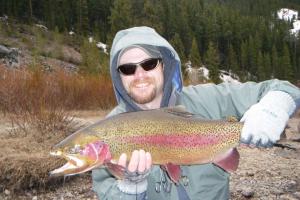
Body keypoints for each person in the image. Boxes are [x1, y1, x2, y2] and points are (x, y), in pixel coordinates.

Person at [92, 26, 300, 200]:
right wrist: (131, 190)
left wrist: (275, 107)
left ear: (164, 65)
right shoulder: (108, 131)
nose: (139, 75)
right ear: (118, 77)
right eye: (128, 69)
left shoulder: (209, 98)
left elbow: (283, 88)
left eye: (149, 64)